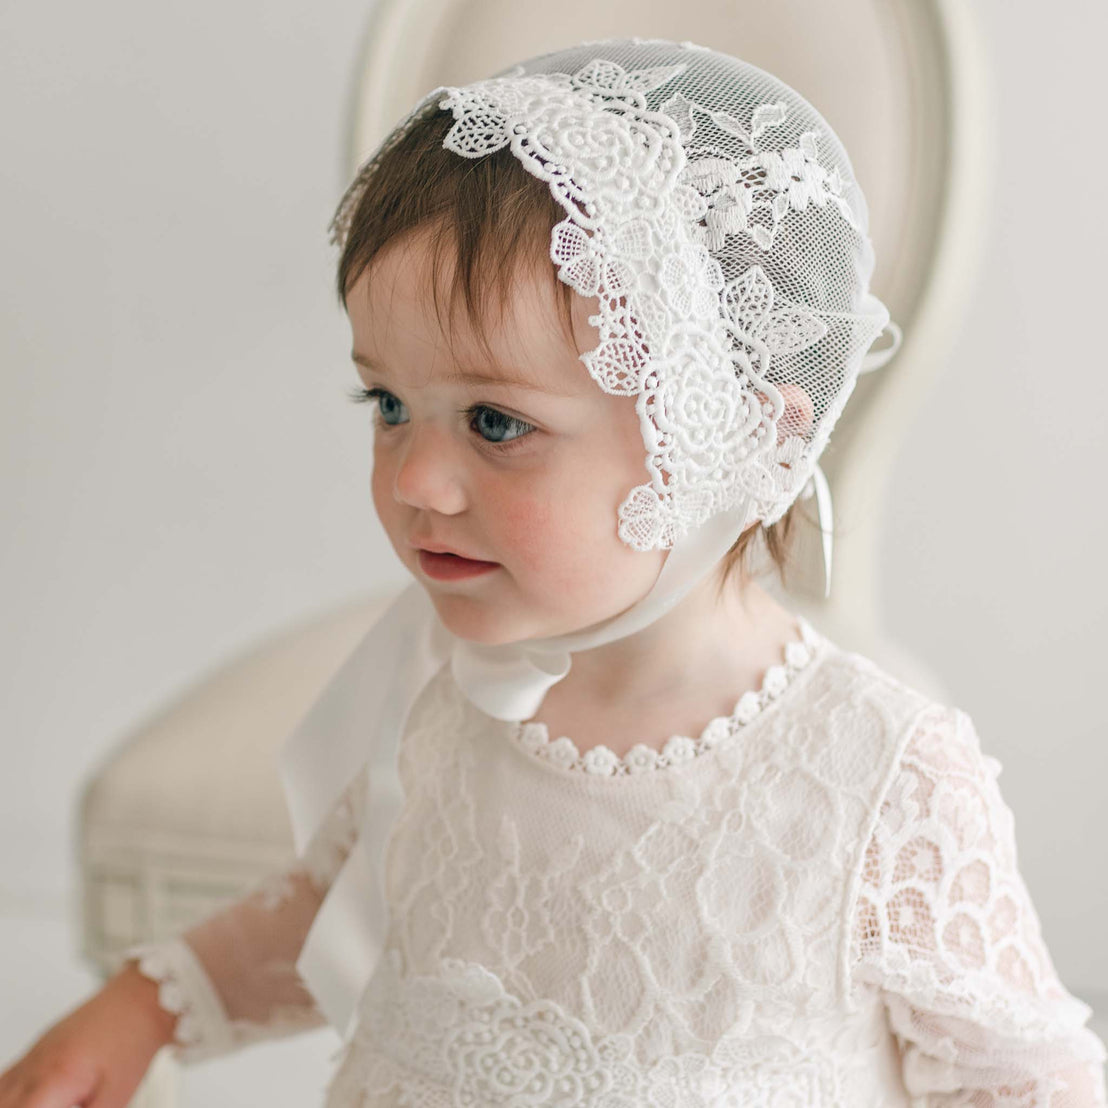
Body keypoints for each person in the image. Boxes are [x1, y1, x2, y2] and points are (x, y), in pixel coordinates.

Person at [2, 36, 1105, 1108]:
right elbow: (347, 910)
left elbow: (1025, 1081)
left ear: (729, 437)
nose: (417, 479)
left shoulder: (871, 781)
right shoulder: (440, 687)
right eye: (386, 405)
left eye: (495, 420)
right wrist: (149, 1003)